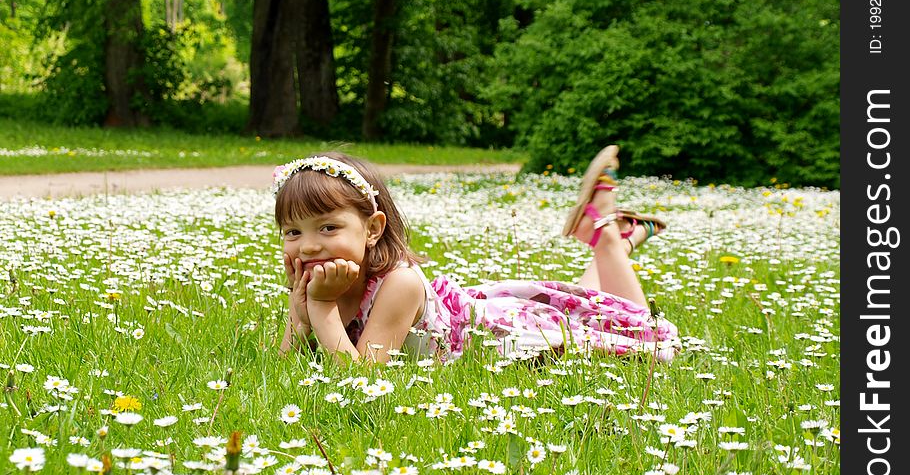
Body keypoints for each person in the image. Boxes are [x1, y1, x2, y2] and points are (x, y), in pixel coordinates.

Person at [275, 149, 680, 363]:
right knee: (582, 305)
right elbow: (285, 368)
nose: (309, 245)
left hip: (492, 335)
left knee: (625, 325)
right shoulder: (322, 279)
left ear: (373, 229)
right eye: (294, 231)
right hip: (463, 314)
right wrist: (299, 314)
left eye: (328, 227)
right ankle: (611, 240)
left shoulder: (397, 284)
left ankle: (608, 240)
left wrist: (321, 307)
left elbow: (362, 381)